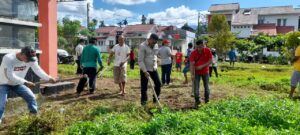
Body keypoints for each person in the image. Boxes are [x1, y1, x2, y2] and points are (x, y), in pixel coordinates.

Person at [0, 46, 56, 124]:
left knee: (31, 97)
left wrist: (48, 78)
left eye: (31, 59)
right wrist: (25, 82)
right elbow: (9, 75)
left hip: (18, 83)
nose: (30, 61)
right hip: (3, 83)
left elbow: (37, 70)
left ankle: (33, 117)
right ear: (22, 53)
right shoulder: (9, 58)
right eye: (28, 58)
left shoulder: (31, 59)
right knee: (1, 103)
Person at [138, 33, 161, 105]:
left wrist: (157, 59)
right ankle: (144, 103)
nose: (154, 44)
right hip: (145, 69)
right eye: (153, 42)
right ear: (150, 39)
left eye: (156, 42)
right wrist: (145, 71)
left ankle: (156, 100)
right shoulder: (142, 46)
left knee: (158, 83)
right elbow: (140, 60)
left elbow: (155, 54)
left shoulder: (156, 45)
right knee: (144, 87)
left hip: (154, 68)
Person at [190, 40, 212, 108]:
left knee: (207, 87)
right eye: (199, 47)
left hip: (205, 72)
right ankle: (197, 101)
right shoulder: (193, 53)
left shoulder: (208, 50)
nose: (201, 48)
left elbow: (210, 61)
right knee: (196, 88)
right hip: (196, 73)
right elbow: (191, 64)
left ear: (204, 45)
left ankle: (207, 100)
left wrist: (202, 66)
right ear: (196, 47)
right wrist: (192, 74)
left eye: (202, 46)